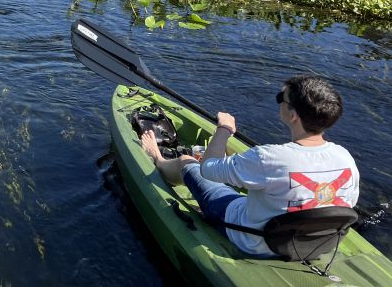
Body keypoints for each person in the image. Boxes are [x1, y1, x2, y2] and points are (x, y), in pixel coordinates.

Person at [139, 75, 359, 258]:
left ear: (293, 115)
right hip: (311, 244)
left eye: (281, 97)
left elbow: (208, 169)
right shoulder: (346, 158)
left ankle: (157, 158)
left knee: (189, 163)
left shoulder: (269, 157)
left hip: (250, 239)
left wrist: (224, 129)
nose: (279, 100)